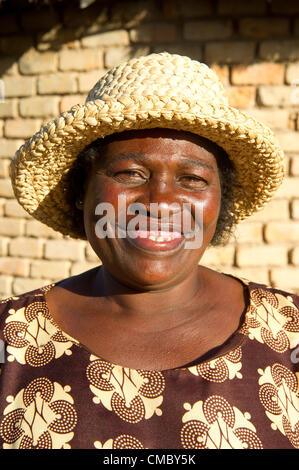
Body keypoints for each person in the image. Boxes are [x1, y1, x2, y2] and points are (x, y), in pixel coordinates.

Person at [0, 52, 298, 450]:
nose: (159, 202)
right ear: (80, 192)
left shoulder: (289, 332)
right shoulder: (10, 339)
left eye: (192, 179)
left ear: (219, 204)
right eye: (130, 174)